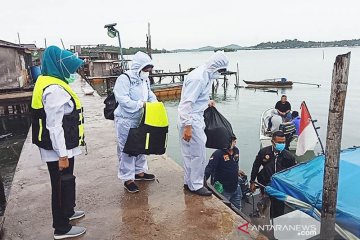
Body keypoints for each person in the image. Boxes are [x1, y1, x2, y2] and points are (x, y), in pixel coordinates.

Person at [31, 46, 86, 239]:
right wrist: (62, 154)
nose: (73, 73)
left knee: (66, 182)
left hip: (62, 146)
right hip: (58, 149)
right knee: (60, 185)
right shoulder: (54, 90)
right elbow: (54, 126)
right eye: (70, 69)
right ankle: (61, 228)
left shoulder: (50, 81)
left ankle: (68, 212)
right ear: (59, 66)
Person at [178, 51, 229, 196]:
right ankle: (196, 185)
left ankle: (189, 182)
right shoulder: (199, 78)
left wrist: (207, 102)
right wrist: (188, 126)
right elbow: (186, 104)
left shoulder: (204, 75)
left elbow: (196, 98)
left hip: (191, 118)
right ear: (215, 67)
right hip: (191, 120)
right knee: (198, 155)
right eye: (221, 70)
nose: (220, 73)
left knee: (188, 154)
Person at [113, 51, 158, 193]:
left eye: (149, 69)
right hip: (126, 119)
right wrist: (140, 104)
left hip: (141, 118)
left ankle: (140, 172)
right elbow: (123, 99)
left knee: (140, 146)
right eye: (146, 69)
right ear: (139, 67)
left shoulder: (143, 79)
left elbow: (149, 93)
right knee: (127, 149)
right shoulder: (124, 78)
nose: (148, 72)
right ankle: (128, 178)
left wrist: (154, 103)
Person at [249, 131, 296, 218]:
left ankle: (277, 223)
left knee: (279, 208)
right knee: (266, 203)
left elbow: (293, 173)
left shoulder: (289, 157)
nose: (282, 144)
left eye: (283, 142)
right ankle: (263, 216)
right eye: (279, 142)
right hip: (265, 183)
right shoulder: (263, 152)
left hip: (280, 186)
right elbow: (256, 166)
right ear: (273, 142)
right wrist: (252, 182)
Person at [205, 137, 245, 209]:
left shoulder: (236, 151)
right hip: (223, 190)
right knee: (222, 210)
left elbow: (235, 163)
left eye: (235, 141)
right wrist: (202, 182)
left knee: (237, 209)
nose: (234, 143)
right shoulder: (218, 154)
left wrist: (236, 171)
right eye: (232, 141)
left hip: (235, 187)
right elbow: (209, 168)